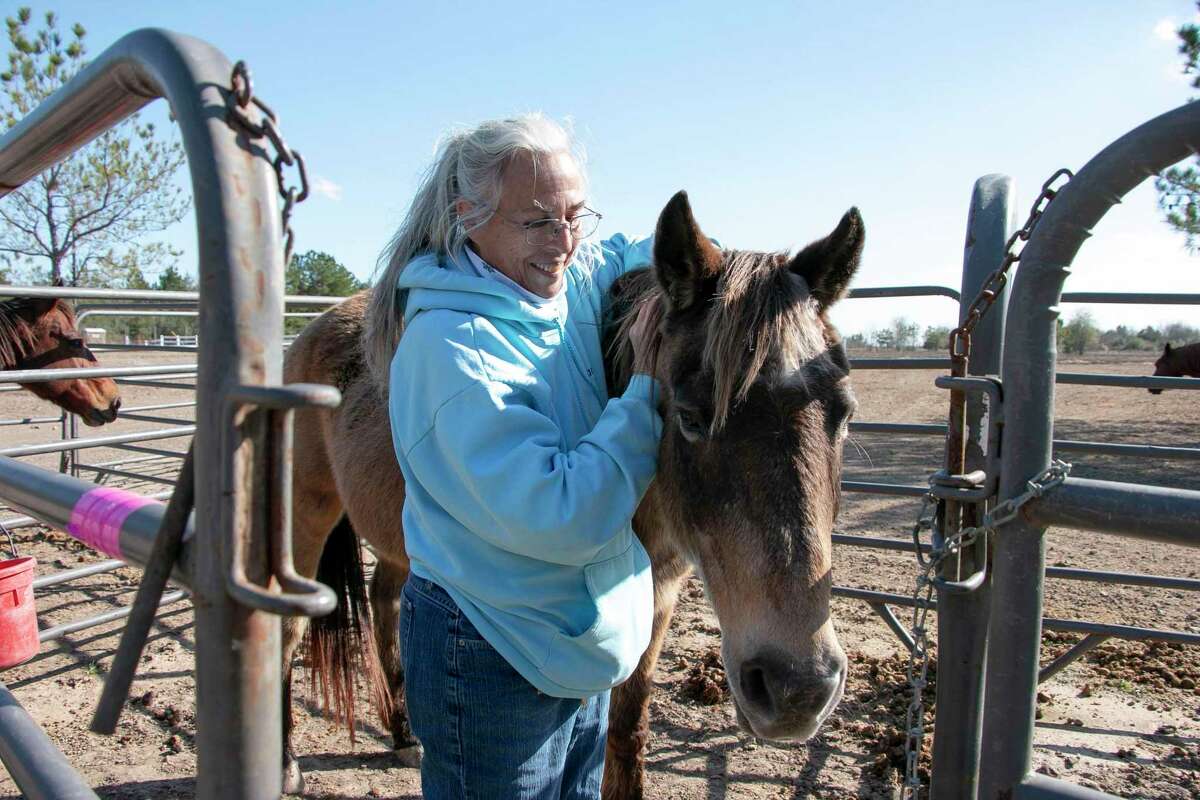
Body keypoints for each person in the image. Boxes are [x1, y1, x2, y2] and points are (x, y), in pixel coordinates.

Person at [363, 113, 663, 799]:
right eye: (537, 223)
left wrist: (689, 277)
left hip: (569, 636)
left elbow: (626, 249)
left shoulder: (559, 276)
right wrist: (647, 394)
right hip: (492, 649)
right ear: (468, 216)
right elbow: (562, 516)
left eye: (574, 215)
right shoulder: (453, 350)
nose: (565, 243)